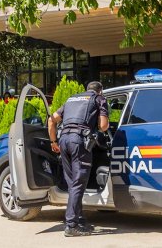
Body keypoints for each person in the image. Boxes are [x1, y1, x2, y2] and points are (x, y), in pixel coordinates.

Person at [47, 81, 109, 237]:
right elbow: (103, 126)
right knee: (78, 183)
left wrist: (53, 142)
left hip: (64, 141)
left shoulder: (71, 99)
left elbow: (51, 120)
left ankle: (80, 221)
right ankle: (71, 225)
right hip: (79, 142)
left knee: (72, 184)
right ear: (100, 91)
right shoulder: (99, 99)